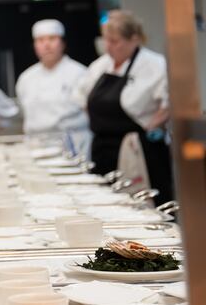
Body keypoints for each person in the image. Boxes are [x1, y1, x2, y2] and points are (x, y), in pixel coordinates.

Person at [74, 10, 173, 203]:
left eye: (115, 41)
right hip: (103, 149)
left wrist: (151, 127)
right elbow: (81, 98)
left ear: (134, 39)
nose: (108, 47)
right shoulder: (101, 66)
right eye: (106, 41)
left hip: (140, 152)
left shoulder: (154, 64)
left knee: (144, 207)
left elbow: (169, 104)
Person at [15, 19, 90, 156]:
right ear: (35, 45)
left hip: (72, 144)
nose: (47, 45)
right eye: (41, 40)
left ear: (62, 43)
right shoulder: (26, 78)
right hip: (35, 145)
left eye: (52, 39)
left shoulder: (80, 73)